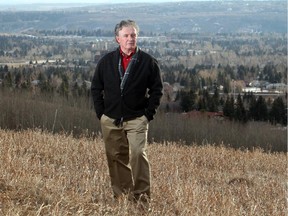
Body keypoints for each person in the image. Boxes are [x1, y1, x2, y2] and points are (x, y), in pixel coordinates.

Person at [91, 20, 163, 203]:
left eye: (133, 35)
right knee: (116, 159)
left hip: (137, 118)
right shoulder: (106, 61)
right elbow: (96, 88)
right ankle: (123, 199)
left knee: (138, 154)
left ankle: (142, 200)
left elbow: (157, 90)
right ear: (118, 39)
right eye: (126, 35)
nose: (130, 39)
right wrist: (101, 114)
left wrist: (148, 114)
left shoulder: (148, 62)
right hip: (111, 118)